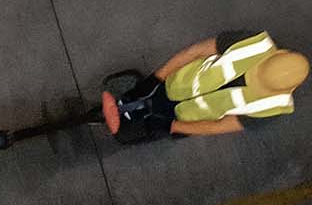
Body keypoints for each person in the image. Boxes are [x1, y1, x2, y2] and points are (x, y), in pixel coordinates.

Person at [101, 30, 308, 142]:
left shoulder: (271, 108)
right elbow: (196, 52)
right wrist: (156, 78)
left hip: (185, 119)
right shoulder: (253, 44)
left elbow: (217, 127)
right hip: (172, 83)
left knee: (146, 131)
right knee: (135, 102)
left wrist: (170, 126)